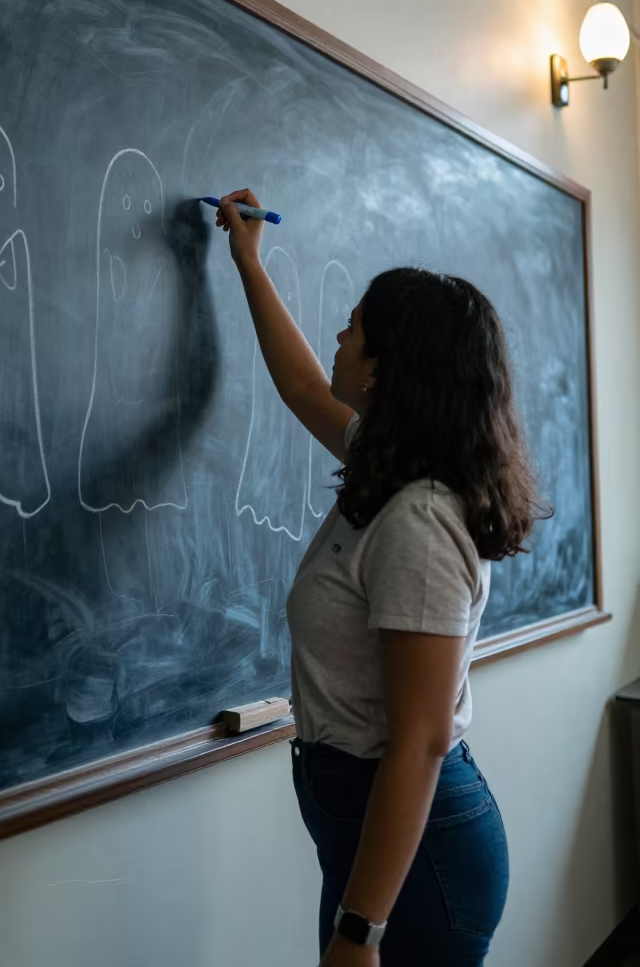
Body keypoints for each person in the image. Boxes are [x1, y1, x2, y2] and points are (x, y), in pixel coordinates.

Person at [216, 189, 546, 967]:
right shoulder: (387, 468)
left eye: (355, 328)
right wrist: (247, 262)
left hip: (417, 859)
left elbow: (422, 742)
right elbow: (301, 385)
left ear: (385, 368)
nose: (339, 335)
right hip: (382, 837)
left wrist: (362, 930)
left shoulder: (419, 522)